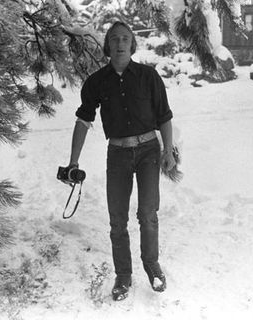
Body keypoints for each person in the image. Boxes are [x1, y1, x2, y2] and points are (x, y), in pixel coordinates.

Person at [67, 21, 176, 301]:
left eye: (125, 38)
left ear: (132, 44)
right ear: (107, 45)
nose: (119, 43)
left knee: (148, 215)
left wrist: (168, 152)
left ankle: (152, 266)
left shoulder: (148, 76)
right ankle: (123, 276)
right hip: (117, 154)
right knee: (117, 220)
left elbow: (164, 116)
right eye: (114, 39)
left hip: (149, 151)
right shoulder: (96, 82)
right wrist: (73, 162)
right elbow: (83, 119)